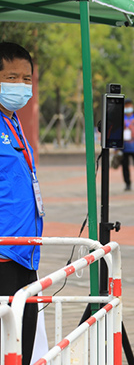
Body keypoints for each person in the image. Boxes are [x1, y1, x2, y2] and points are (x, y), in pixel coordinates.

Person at [0, 42, 44, 365]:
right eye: (11, 78)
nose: (20, 85)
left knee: (22, 346)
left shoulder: (13, 121)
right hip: (4, 255)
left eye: (26, 79)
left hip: (25, 253)